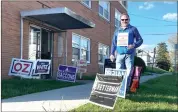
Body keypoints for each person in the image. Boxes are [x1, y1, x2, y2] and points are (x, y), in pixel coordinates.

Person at [110, 13, 143, 90]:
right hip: (119, 54)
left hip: (129, 54)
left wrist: (134, 45)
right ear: (120, 20)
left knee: (128, 73)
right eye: (122, 19)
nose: (124, 21)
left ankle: (126, 89)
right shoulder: (117, 30)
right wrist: (111, 53)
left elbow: (140, 40)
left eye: (126, 19)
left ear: (129, 20)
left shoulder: (133, 29)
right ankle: (118, 89)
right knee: (118, 72)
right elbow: (114, 43)